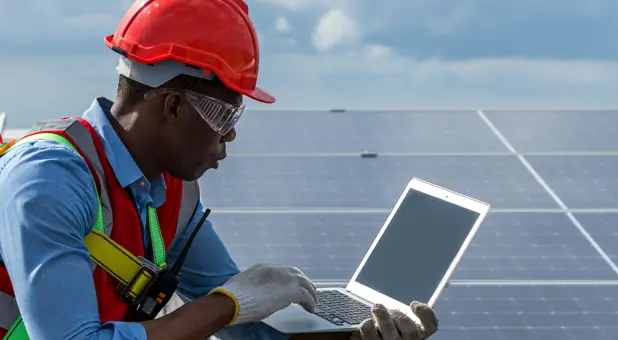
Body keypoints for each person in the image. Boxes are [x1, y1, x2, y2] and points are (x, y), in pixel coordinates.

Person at [0, 0, 439, 339]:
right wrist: (226, 304)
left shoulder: (169, 190)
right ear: (173, 106)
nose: (228, 139)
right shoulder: (48, 180)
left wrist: (353, 335)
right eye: (225, 119)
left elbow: (245, 327)